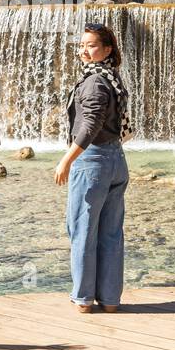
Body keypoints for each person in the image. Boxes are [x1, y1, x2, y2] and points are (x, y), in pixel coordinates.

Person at [54, 21, 131, 314]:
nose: (84, 50)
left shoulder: (95, 82)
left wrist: (66, 159)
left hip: (93, 163)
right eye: (82, 45)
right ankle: (110, 299)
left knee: (82, 230)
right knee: (111, 233)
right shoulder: (112, 77)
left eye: (92, 45)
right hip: (116, 160)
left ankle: (84, 298)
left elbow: (89, 124)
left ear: (107, 49)